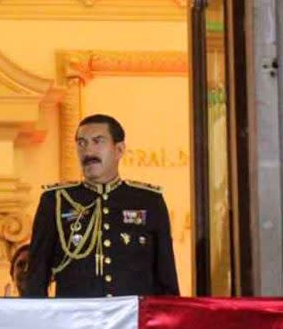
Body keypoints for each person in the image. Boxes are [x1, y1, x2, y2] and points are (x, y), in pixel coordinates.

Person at [25, 114, 179, 298]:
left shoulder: (148, 200)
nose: (88, 151)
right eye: (81, 143)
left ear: (119, 149)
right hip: (76, 321)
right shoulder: (56, 200)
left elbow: (166, 278)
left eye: (98, 141)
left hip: (131, 320)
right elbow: (37, 276)